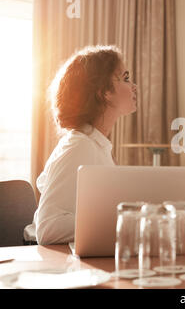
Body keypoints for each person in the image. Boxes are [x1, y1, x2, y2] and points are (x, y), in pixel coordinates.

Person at [24, 45, 137, 245]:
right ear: (104, 92)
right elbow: (47, 228)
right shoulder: (79, 147)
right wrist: (119, 222)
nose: (134, 86)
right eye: (126, 78)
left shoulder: (98, 146)